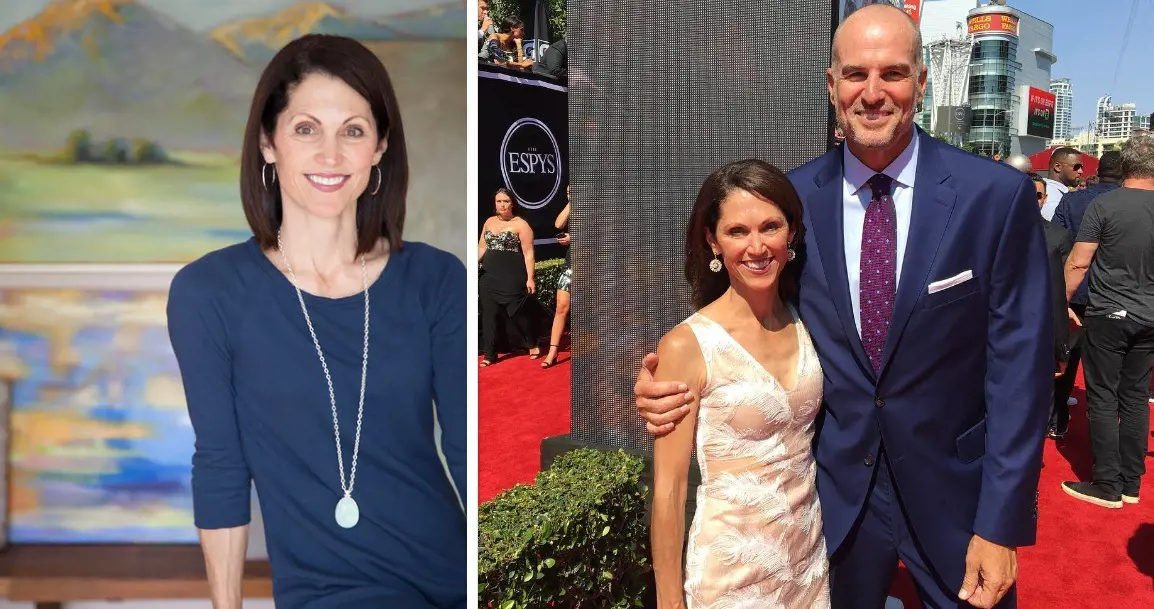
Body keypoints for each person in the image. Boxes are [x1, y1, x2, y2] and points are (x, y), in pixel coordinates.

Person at [634, 6, 1051, 609]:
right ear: (832, 86)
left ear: (922, 82)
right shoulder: (792, 201)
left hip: (958, 499)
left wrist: (1002, 521)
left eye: (894, 73)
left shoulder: (995, 197)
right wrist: (664, 383)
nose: (873, 93)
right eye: (855, 74)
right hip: (831, 506)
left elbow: (1022, 371)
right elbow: (741, 316)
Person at [166, 35, 465, 608]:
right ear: (267, 143)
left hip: (449, 579)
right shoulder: (209, 293)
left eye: (353, 130)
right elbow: (222, 466)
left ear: (379, 147)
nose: (331, 155)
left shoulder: (436, 280)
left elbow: (464, 451)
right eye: (306, 129)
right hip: (325, 594)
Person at [650, 160, 829, 608]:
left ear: (791, 234)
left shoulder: (805, 316)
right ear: (712, 240)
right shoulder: (686, 345)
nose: (757, 246)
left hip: (808, 567)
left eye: (770, 226)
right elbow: (669, 492)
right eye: (737, 232)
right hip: (732, 578)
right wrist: (670, 602)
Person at [1060, 133, 1154, 509]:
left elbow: (1079, 262)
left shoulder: (1105, 205)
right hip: (1149, 315)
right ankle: (1131, 482)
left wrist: (1061, 303)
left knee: (1102, 396)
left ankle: (1107, 483)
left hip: (1108, 313)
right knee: (1135, 396)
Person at [1050, 150, 1123, 431]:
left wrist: (1060, 296)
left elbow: (1057, 241)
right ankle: (1108, 430)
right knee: (1109, 369)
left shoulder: (1072, 201)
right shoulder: (1132, 204)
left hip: (1076, 293)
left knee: (1066, 358)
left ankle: (1058, 420)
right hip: (1115, 296)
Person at [1029, 173, 1074, 432]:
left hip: (1044, 329)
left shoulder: (1058, 236)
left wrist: (1061, 347)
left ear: (1045, 199)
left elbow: (1061, 291)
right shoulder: (993, 231)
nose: (1031, 200)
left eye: (1036, 195)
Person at [478, 188, 541, 366]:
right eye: (499, 201)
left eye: (505, 201)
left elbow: (528, 253)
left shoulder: (521, 224)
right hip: (488, 277)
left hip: (512, 276)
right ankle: (490, 354)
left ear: (512, 202)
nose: (502, 205)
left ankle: (532, 342)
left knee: (518, 313)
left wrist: (530, 278)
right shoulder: (489, 222)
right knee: (489, 315)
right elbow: (482, 247)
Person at [542, 185, 572, 368]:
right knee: (561, 306)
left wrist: (574, 238)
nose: (570, 193)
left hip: (592, 265)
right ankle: (553, 351)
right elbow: (558, 224)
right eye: (568, 191)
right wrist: (571, 203)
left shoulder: (595, 207)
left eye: (573, 190)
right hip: (571, 264)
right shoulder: (572, 207)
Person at [1042, 147, 1083, 220]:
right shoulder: (1054, 201)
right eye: (1076, 167)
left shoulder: (1049, 190)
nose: (1080, 171)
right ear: (1058, 167)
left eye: (1081, 167)